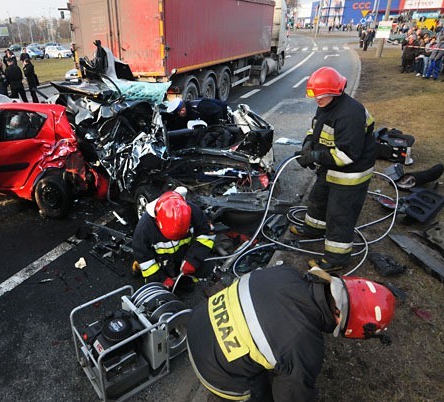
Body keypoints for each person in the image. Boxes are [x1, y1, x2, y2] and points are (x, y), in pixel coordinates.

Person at [186, 264, 396, 401]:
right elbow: (292, 396)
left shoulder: (287, 273)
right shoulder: (303, 344)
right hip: (216, 371)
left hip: (199, 321)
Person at [290, 67, 376, 271]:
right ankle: (313, 229)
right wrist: (308, 143)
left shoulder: (349, 115)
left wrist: (315, 156)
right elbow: (316, 128)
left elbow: (347, 155)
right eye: (315, 96)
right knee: (318, 199)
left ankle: (337, 259)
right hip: (329, 168)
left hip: (349, 175)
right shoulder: (326, 105)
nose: (317, 100)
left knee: (340, 215)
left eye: (321, 96)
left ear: (335, 92)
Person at [132, 187, 216, 288]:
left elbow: (206, 235)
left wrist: (193, 259)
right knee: (156, 285)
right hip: (162, 261)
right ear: (158, 222)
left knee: (206, 266)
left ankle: (186, 281)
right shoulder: (144, 227)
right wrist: (160, 279)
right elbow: (144, 258)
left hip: (185, 255)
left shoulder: (194, 212)